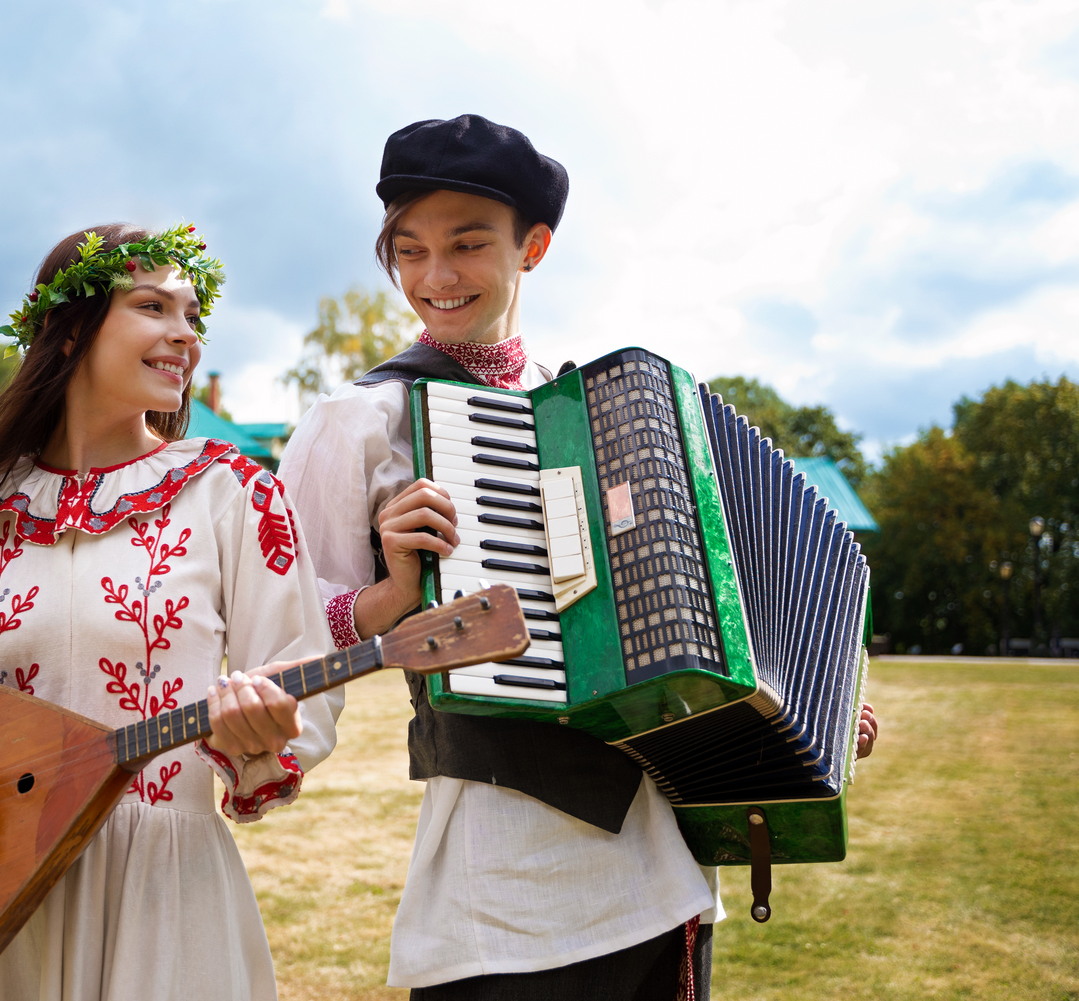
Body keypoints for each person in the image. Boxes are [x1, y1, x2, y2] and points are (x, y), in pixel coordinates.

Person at [277, 115, 879, 1000]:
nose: (435, 276)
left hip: (664, 874)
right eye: (409, 251)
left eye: (468, 244)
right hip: (508, 890)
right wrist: (391, 596)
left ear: (534, 246)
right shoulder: (363, 420)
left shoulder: (603, 419)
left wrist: (806, 712)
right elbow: (291, 633)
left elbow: (695, 629)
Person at [0, 223, 343, 1001]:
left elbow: (304, 680)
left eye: (192, 314)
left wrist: (259, 730)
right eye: (153, 306)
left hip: (166, 895)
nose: (186, 335)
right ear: (68, 331)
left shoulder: (233, 494)